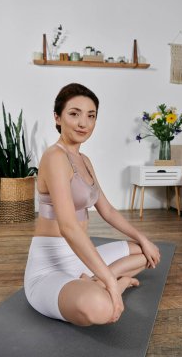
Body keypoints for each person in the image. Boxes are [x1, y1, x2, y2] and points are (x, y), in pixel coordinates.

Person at [24, 83, 160, 326]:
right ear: (57, 117)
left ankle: (96, 282)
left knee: (147, 252)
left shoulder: (83, 160)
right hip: (50, 266)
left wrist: (143, 238)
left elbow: (106, 210)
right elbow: (68, 227)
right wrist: (111, 281)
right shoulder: (54, 157)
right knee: (101, 309)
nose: (83, 123)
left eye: (91, 116)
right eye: (74, 114)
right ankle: (116, 283)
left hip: (81, 257)